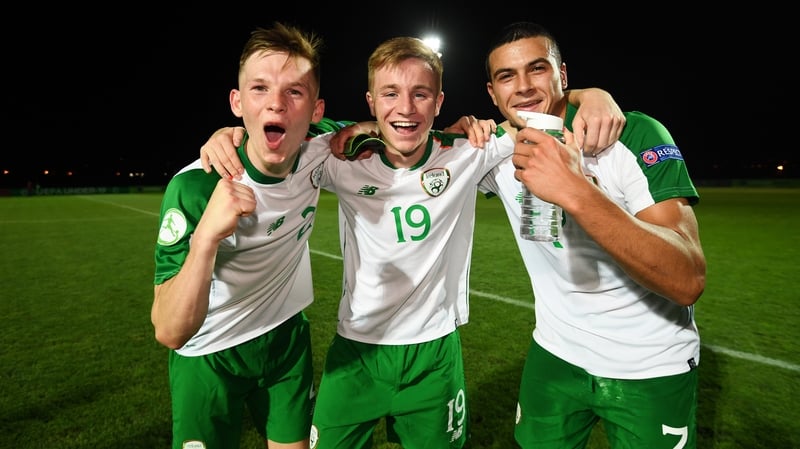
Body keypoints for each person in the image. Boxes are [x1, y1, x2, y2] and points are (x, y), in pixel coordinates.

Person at [479, 22, 706, 448]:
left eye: (538, 69)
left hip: (649, 365)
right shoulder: (496, 149)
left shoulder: (635, 135)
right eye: (507, 76)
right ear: (493, 94)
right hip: (554, 354)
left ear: (563, 76)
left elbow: (687, 279)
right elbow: (411, 138)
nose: (524, 87)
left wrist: (578, 191)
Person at [150, 22, 344, 449]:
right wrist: (205, 239)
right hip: (208, 354)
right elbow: (169, 331)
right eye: (259, 89)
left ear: (315, 111)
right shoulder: (195, 187)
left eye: (294, 92)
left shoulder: (320, 147)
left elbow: (392, 125)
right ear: (237, 103)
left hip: (285, 340)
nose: (276, 104)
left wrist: (463, 128)